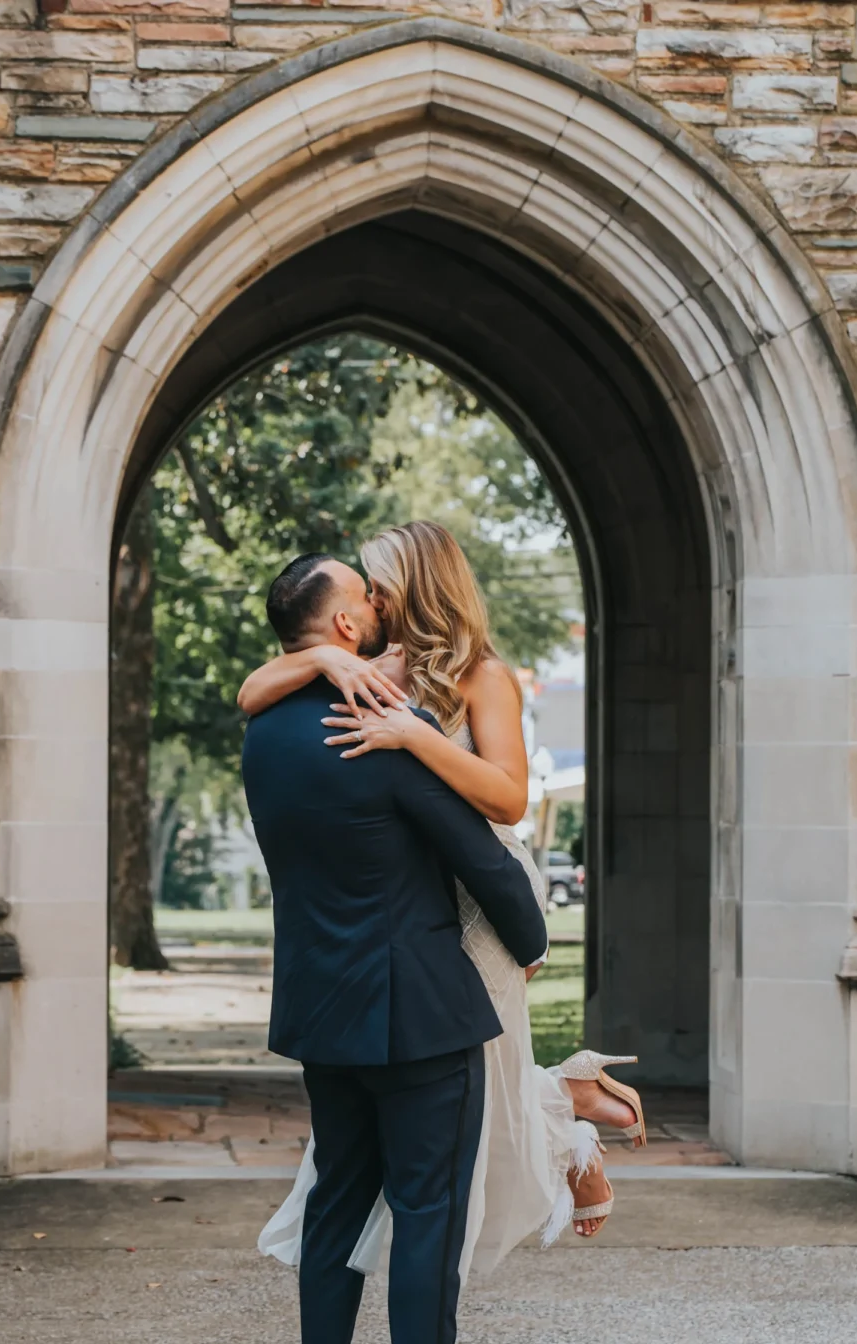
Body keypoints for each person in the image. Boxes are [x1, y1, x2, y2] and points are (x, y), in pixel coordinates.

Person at [241, 523, 646, 1254]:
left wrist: (416, 737)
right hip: (410, 893)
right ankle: (568, 1105)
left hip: (482, 892)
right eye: (363, 589)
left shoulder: (482, 675)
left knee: (480, 1087)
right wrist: (328, 655)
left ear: (414, 587)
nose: (370, 599)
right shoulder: (365, 663)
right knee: (453, 1099)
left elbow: (509, 800)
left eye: (378, 584)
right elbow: (252, 692)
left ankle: (565, 1128)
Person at [241, 552, 550, 1344]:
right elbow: (482, 856)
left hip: (318, 1007)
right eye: (362, 599)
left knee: (338, 1207)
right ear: (341, 629)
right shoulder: (383, 726)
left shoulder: (262, 733)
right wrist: (529, 938)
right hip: (417, 1011)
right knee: (427, 1220)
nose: (377, 608)